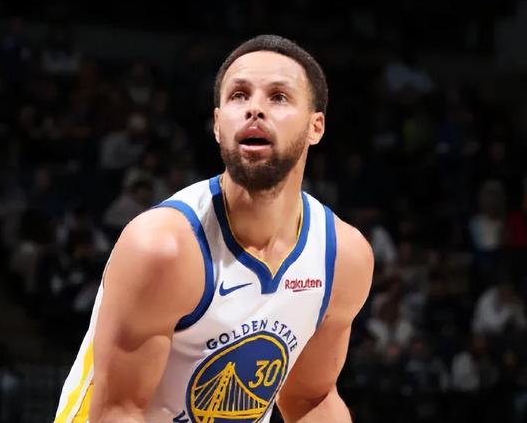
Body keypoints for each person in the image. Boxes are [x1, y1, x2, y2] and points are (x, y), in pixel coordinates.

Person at [54, 34, 374, 423]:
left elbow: (312, 399)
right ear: (219, 125)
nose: (255, 108)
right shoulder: (162, 248)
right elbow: (119, 412)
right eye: (239, 95)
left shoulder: (342, 257)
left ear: (315, 127)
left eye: (278, 97)